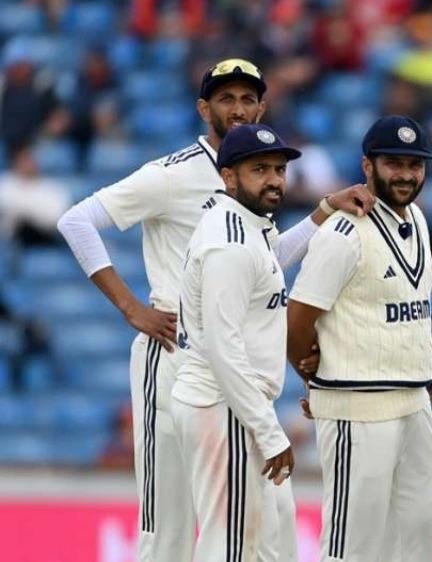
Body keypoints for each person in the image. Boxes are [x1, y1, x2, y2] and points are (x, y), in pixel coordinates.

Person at [56, 58, 373, 562]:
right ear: (204, 108)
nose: (239, 109)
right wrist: (131, 308)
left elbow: (265, 260)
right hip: (172, 351)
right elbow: (76, 222)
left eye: (248, 99)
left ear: (262, 107)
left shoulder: (254, 174)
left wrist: (323, 211)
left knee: (260, 521)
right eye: (226, 99)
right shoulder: (172, 173)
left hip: (232, 363)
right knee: (169, 523)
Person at [287, 115, 432, 561]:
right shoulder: (344, 231)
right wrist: (313, 379)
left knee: (417, 543)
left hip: (415, 401)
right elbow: (297, 319)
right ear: (368, 166)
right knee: (353, 546)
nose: (406, 175)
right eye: (394, 163)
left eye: (415, 165)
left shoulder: (418, 220)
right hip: (357, 405)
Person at [170, 123, 299, 562]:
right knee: (230, 543)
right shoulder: (230, 242)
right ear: (228, 177)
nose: (274, 180)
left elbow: (268, 265)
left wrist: (320, 214)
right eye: (259, 170)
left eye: (278, 169)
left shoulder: (249, 225)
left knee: (266, 539)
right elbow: (224, 350)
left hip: (235, 404)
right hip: (223, 404)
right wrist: (269, 432)